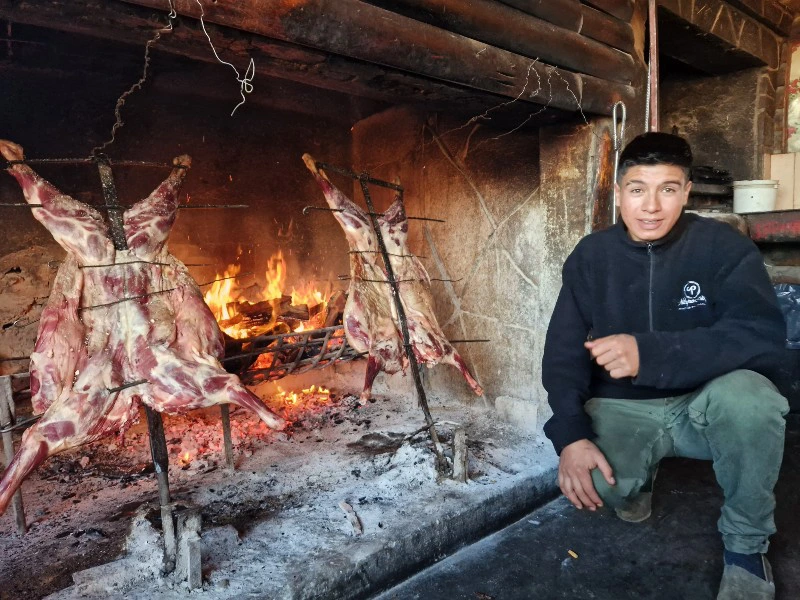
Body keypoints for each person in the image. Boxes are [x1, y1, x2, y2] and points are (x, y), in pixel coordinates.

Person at [541, 132, 790, 600]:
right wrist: (570, 435)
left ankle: (745, 548)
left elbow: (762, 337)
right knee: (597, 486)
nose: (651, 206)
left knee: (754, 401)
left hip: (705, 404)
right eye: (637, 189)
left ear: (687, 192)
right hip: (624, 408)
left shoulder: (722, 247)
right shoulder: (591, 257)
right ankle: (639, 479)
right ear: (618, 194)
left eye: (668, 189)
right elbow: (562, 354)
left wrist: (649, 353)